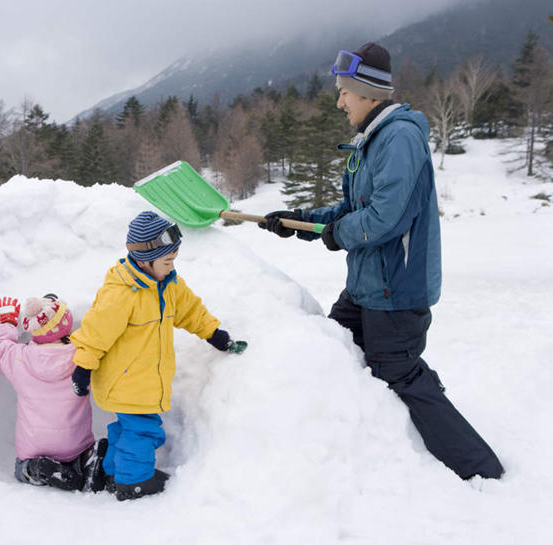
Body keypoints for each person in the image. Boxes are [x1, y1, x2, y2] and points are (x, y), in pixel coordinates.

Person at [259, 43, 503, 480]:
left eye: (344, 92)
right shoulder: (372, 139)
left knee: (400, 373)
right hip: (369, 284)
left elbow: (385, 217)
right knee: (334, 346)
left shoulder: (400, 137)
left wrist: (338, 234)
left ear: (369, 92)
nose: (339, 101)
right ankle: (350, 447)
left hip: (396, 289)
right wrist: (300, 221)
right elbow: (354, 207)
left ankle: (478, 468)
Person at [70, 211, 247, 501]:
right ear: (144, 261)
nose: (171, 267)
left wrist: (215, 334)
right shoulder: (122, 293)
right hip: (126, 380)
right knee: (143, 430)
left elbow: (191, 311)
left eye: (173, 261)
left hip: (139, 380)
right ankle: (133, 482)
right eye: (167, 262)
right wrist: (83, 368)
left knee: (126, 428)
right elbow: (95, 333)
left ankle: (114, 472)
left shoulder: (168, 285)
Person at [0, 293, 107, 492]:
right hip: (75, 446)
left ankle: (36, 469)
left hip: (34, 449)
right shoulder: (81, 355)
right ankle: (88, 460)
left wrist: (7, 322)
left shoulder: (19, 359)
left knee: (20, 469)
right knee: (84, 451)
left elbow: (1, 348)